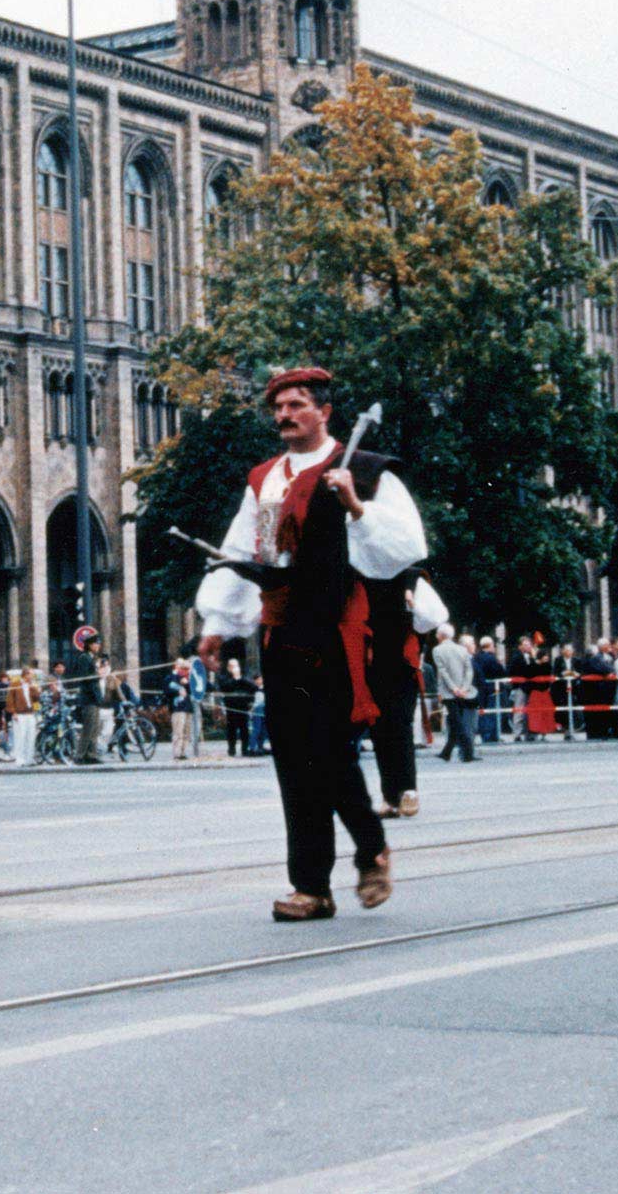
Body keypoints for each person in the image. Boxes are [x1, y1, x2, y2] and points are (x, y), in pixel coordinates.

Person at [194, 366, 427, 922]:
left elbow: (405, 548)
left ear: (324, 412)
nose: (284, 415)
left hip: (343, 628)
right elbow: (240, 549)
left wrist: (355, 507)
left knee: (326, 751)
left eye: (296, 404)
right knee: (294, 759)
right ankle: (312, 887)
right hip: (283, 630)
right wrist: (217, 623)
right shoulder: (265, 479)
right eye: (277, 407)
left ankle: (369, 847)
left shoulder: (365, 471)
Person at [368, 571, 447, 817]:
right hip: (371, 666)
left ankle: (408, 790)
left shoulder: (412, 579)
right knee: (379, 730)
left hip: (402, 666)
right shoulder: (362, 579)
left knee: (400, 726)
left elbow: (435, 617)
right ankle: (390, 797)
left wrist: (414, 606)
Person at [432, 622, 478, 765]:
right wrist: (464, 687)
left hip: (449, 692)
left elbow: (443, 671)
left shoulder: (437, 650)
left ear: (441, 635)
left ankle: (468, 752)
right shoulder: (462, 649)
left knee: (456, 722)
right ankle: (446, 752)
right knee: (454, 721)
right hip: (463, 691)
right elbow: (469, 670)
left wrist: (453, 688)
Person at [65, 625, 104, 763]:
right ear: (89, 645)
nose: (98, 646)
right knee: (88, 728)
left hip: (94, 698)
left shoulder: (91, 658)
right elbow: (85, 677)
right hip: (88, 698)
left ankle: (91, 755)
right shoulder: (84, 658)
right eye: (95, 644)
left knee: (94, 728)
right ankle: (80, 755)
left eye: (98, 644)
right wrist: (97, 675)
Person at [5, 663, 41, 767]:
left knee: (31, 736)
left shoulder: (32, 685)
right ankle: (20, 759)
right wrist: (13, 712)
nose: (32, 677)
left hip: (30, 712)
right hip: (20, 714)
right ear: (25, 674)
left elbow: (36, 698)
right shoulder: (15, 684)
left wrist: (34, 688)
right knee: (20, 736)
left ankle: (29, 758)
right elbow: (10, 699)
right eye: (31, 674)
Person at [219, 658, 255, 756]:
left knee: (244, 729)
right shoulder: (224, 677)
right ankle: (231, 749)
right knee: (231, 729)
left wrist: (240, 678)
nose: (234, 668)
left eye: (236, 665)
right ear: (228, 668)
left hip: (243, 707)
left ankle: (244, 749)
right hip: (231, 707)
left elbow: (252, 687)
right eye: (232, 666)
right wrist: (235, 679)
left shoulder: (244, 676)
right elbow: (224, 687)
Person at [164, 659, 195, 761]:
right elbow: (167, 691)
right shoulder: (170, 678)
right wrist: (178, 691)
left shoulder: (187, 678)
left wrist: (188, 682)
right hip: (177, 708)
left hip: (188, 707)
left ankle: (183, 752)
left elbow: (193, 691)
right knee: (178, 731)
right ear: (176, 665)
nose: (183, 668)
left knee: (186, 731)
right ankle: (177, 753)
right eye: (182, 666)